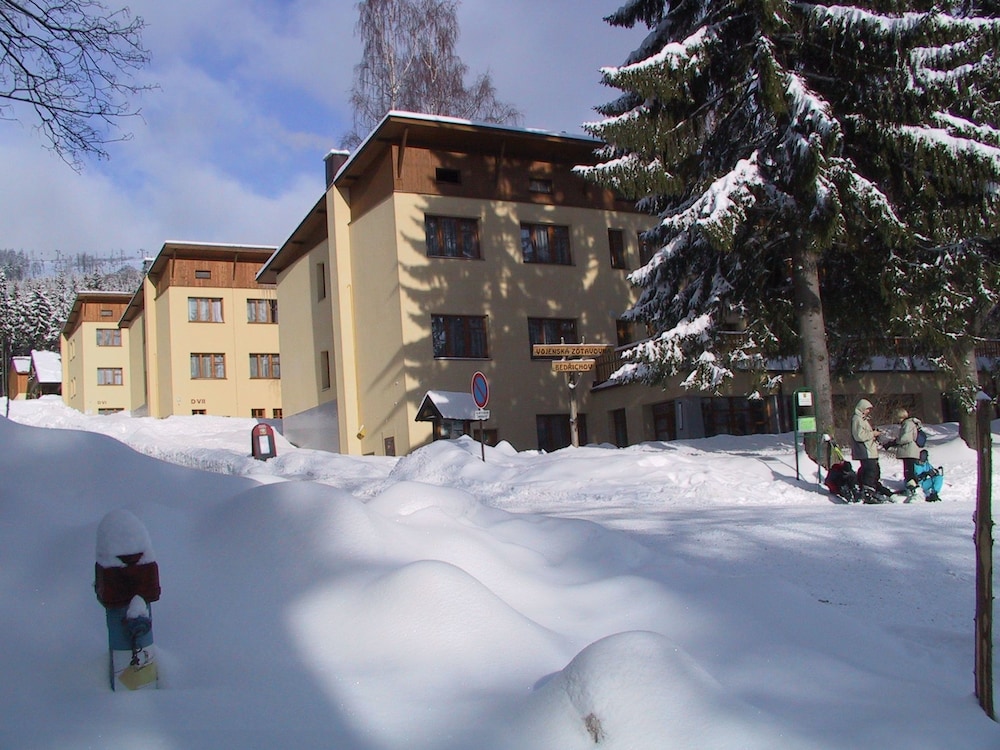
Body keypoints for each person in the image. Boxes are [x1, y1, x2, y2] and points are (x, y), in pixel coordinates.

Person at [851, 398, 892, 503]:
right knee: (870, 470)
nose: (868, 411)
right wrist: (872, 434)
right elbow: (859, 436)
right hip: (865, 450)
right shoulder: (857, 419)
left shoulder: (863, 419)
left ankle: (871, 489)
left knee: (872, 470)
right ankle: (867, 492)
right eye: (867, 409)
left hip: (870, 449)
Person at [889, 408, 923, 499]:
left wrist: (895, 442)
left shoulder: (907, 424)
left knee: (909, 471)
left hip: (909, 451)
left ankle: (911, 489)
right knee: (910, 470)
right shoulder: (911, 423)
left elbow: (906, 438)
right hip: (911, 450)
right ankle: (911, 488)